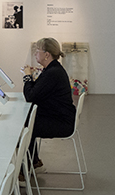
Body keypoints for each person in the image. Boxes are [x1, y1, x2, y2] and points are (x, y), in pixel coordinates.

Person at [21, 37, 76, 169]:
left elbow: (30, 96)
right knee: (28, 121)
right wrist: (31, 78)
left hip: (62, 123)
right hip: (59, 117)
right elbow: (37, 91)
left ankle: (24, 169)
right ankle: (33, 162)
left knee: (24, 127)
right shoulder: (52, 69)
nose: (35, 53)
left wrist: (27, 77)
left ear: (47, 55)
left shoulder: (53, 73)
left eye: (37, 50)